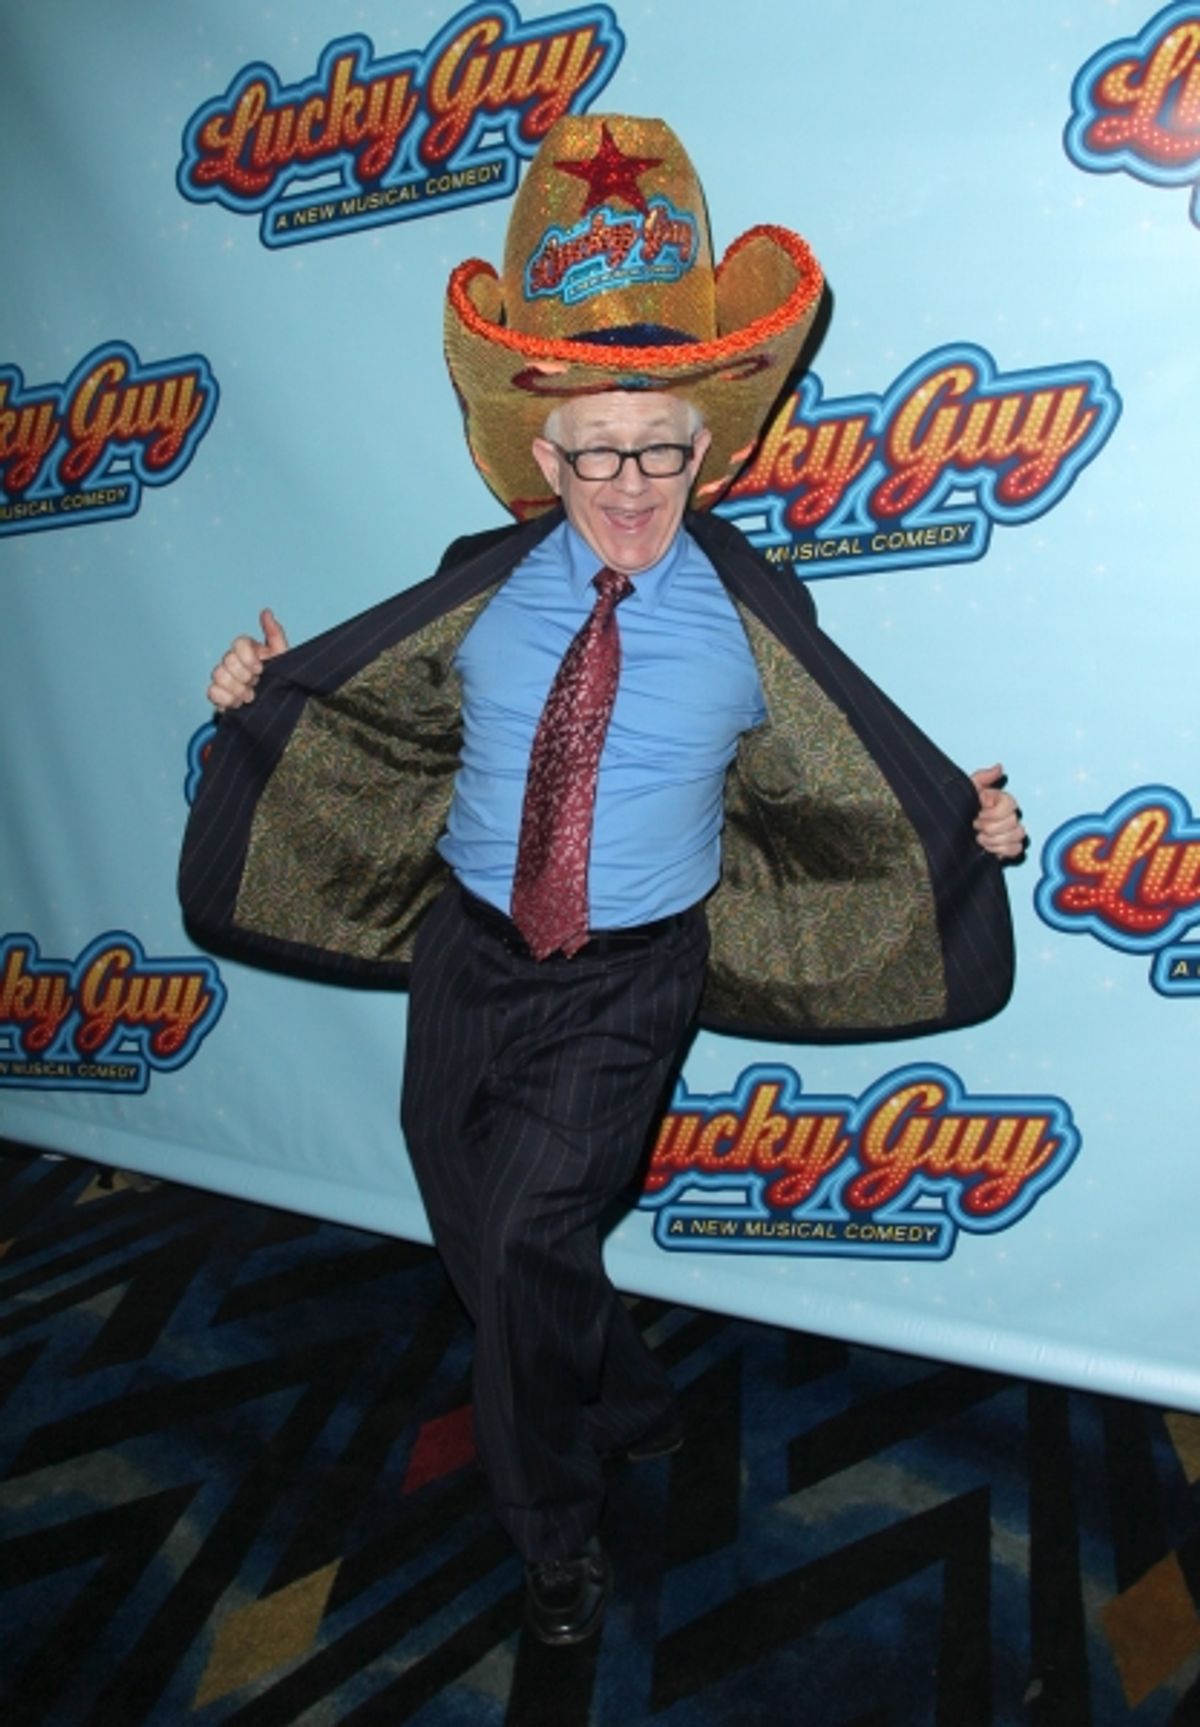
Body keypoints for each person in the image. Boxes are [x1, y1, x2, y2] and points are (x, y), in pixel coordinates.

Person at [182, 115, 1025, 1647]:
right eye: (597, 450)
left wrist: (963, 827)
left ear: (708, 448)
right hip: (470, 948)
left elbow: (854, 763)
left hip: (630, 973)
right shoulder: (478, 579)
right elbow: (365, 707)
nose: (630, 481)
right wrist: (258, 693)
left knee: (517, 1240)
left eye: (660, 448)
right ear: (542, 454)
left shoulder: (761, 610)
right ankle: (625, 1385)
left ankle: (551, 1528)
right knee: (470, 1209)